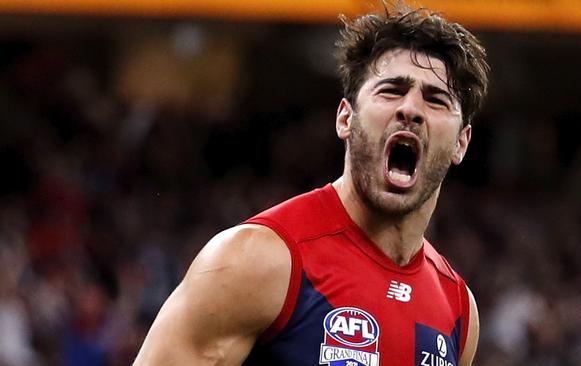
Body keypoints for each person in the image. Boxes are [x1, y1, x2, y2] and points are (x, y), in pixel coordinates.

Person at [133, 2, 489, 365]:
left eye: (435, 99)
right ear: (345, 119)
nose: (411, 109)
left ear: (462, 142)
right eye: (392, 91)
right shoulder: (257, 260)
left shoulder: (458, 308)